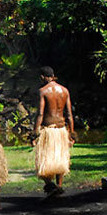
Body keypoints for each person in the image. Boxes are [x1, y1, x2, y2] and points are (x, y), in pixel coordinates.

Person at [32, 67, 75, 196]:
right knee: (60, 159)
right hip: (61, 129)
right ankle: (58, 186)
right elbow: (69, 115)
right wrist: (71, 134)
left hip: (49, 130)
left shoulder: (43, 91)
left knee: (45, 160)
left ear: (43, 76)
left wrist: (34, 134)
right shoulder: (64, 90)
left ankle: (50, 185)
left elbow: (40, 114)